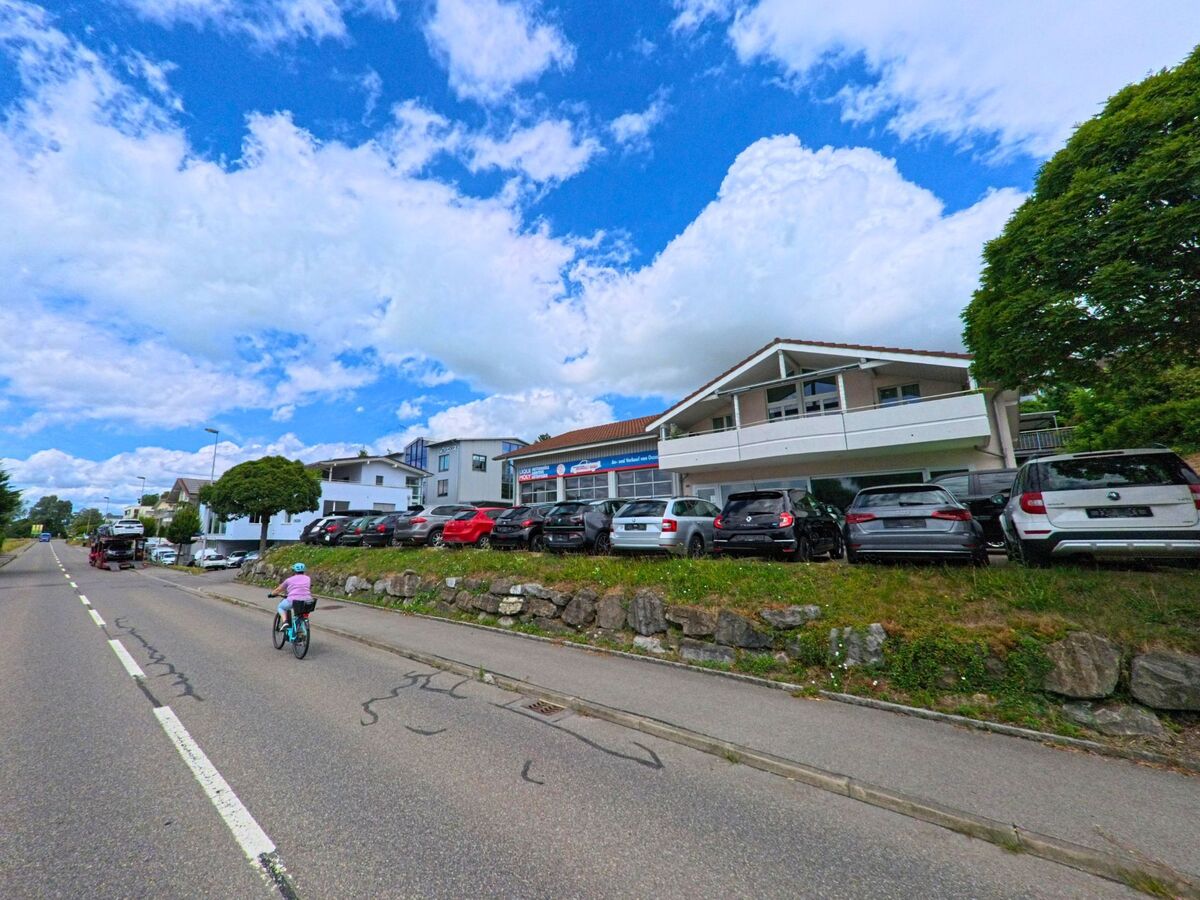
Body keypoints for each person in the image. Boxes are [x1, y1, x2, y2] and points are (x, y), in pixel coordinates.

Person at [270, 562, 313, 630]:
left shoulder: (289, 580)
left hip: (293, 600)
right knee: (301, 614)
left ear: (294, 571)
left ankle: (285, 622)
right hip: (308, 601)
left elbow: (279, 589)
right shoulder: (308, 578)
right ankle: (300, 630)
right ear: (304, 571)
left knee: (281, 607)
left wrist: (271, 594)